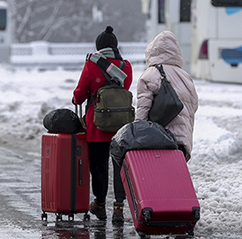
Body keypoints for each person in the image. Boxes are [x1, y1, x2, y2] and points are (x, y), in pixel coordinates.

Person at [111, 30, 198, 222]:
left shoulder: (151, 74)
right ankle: (178, 216)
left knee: (155, 183)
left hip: (158, 138)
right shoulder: (185, 77)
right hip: (181, 139)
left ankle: (156, 216)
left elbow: (143, 109)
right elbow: (193, 108)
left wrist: (136, 133)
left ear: (153, 52)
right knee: (173, 182)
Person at [72, 26, 133, 221]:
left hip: (98, 126)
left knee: (98, 167)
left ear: (98, 47)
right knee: (119, 167)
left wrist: (76, 99)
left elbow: (80, 93)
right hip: (120, 127)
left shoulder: (92, 64)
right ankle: (119, 207)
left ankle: (99, 204)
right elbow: (123, 90)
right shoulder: (126, 67)